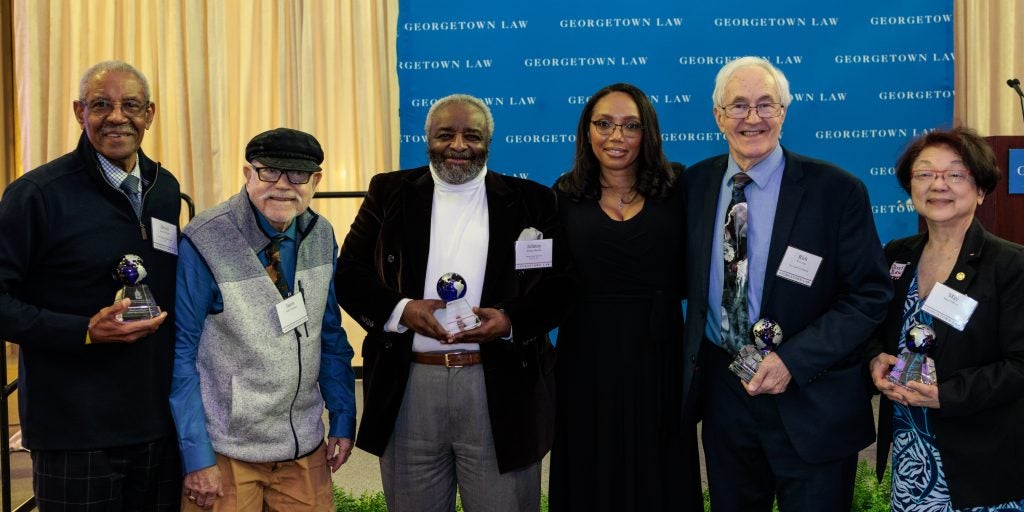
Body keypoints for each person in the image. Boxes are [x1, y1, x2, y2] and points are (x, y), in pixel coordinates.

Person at [335, 94, 573, 512]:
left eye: (472, 136)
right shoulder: (388, 192)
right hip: (409, 385)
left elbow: (560, 287)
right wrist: (402, 311)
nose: (459, 145)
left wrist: (509, 320)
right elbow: (351, 275)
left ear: (489, 143)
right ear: (427, 137)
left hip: (499, 386)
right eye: (446, 134)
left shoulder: (533, 200)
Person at [682, 56, 894, 511]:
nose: (752, 118)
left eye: (766, 104)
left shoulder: (836, 191)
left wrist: (791, 361)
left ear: (784, 112)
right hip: (726, 395)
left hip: (812, 396)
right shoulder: (693, 185)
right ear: (717, 115)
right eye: (738, 105)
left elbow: (869, 295)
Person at [0, 60, 182, 510]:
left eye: (131, 105)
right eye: (101, 105)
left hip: (156, 421)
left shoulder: (165, 188)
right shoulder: (36, 195)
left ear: (150, 113)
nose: (117, 117)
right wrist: (83, 329)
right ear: (79, 111)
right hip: (74, 429)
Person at [169, 128, 356, 510]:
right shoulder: (205, 239)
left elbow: (330, 334)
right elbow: (181, 353)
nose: (284, 186)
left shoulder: (321, 234)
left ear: (316, 181)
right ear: (247, 173)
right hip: (227, 451)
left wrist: (342, 416)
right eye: (269, 171)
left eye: (298, 175)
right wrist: (196, 456)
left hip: (303, 446)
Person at [548, 83, 700, 511]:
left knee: (662, 462)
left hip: (660, 352)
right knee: (589, 460)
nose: (616, 137)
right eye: (604, 124)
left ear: (647, 132)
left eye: (630, 126)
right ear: (587, 131)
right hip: (585, 355)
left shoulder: (678, 187)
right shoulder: (562, 195)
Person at [867, 127, 1024, 510]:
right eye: (925, 174)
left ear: (981, 189)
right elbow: (874, 328)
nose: (939, 185)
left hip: (981, 457)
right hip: (911, 451)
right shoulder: (897, 255)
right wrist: (875, 358)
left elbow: (1020, 365)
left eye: (955, 174)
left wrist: (946, 394)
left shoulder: (1010, 264)